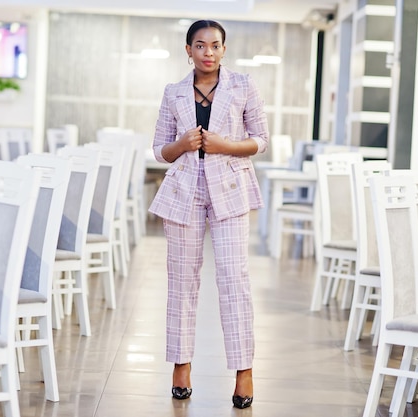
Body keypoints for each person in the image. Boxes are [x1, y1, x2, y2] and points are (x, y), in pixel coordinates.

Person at [148, 19, 269, 409]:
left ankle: (244, 370)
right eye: (200, 46)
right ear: (188, 51)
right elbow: (159, 150)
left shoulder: (243, 86)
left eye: (215, 45)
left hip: (230, 190)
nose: (208, 52)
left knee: (234, 280)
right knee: (182, 281)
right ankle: (181, 365)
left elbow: (260, 141)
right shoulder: (173, 93)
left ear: (224, 49)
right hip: (184, 190)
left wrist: (224, 145)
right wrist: (182, 144)